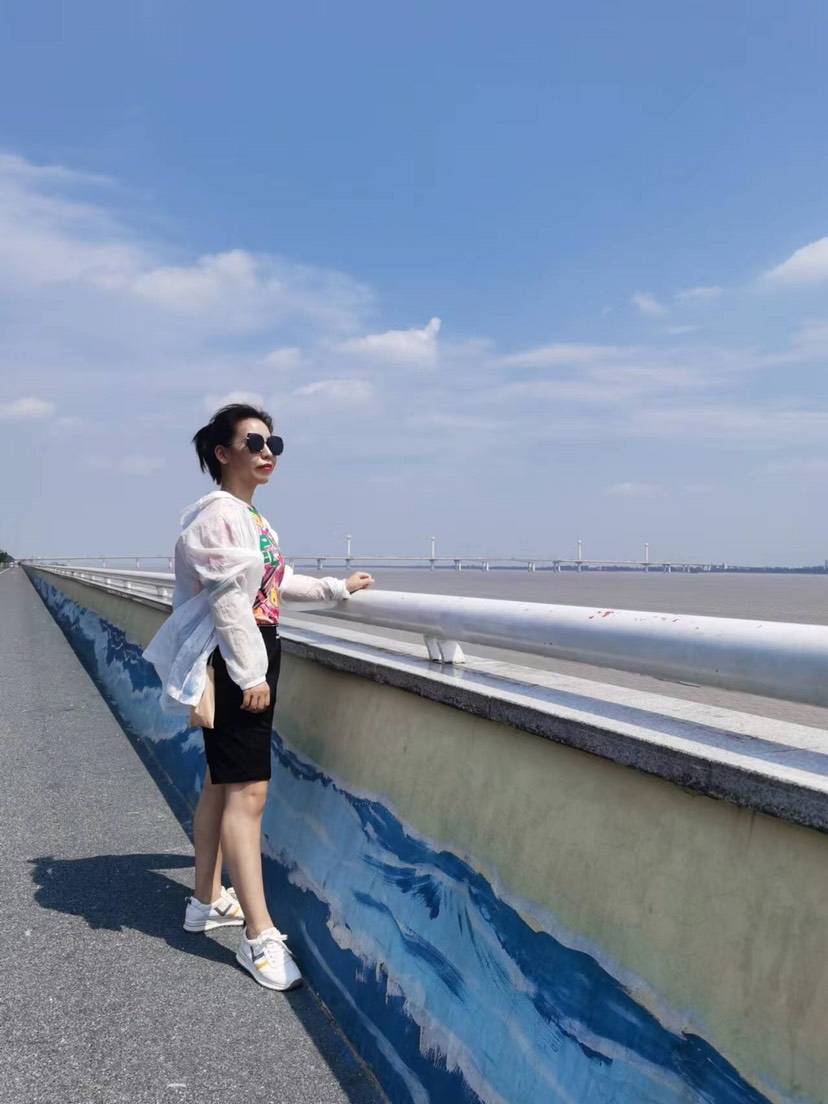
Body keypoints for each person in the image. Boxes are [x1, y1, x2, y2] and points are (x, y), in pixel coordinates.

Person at [142, 403, 374, 990]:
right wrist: (251, 675)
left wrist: (335, 587)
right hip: (239, 656)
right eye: (254, 442)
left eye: (274, 443)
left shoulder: (251, 518)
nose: (268, 452)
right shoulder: (220, 517)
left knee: (222, 783)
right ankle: (259, 936)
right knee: (249, 792)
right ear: (223, 453)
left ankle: (205, 902)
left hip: (248, 650)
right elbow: (230, 605)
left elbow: (273, 583)